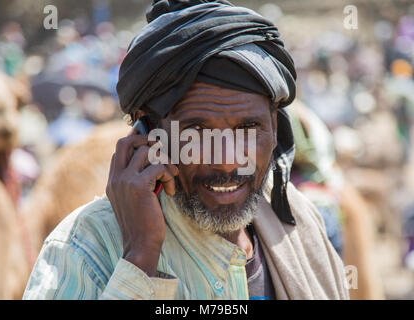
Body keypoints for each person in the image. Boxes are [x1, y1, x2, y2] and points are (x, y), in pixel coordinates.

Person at [23, 0, 349, 300]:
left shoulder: (299, 222)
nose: (226, 161)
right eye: (195, 132)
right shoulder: (83, 250)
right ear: (148, 131)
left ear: (275, 128)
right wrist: (139, 257)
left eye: (248, 130)